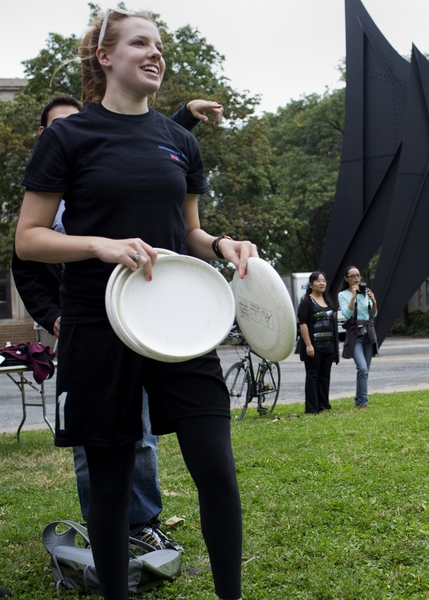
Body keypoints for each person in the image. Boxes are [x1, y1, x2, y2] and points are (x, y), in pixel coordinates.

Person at [15, 9, 253, 599]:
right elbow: (29, 236)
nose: (155, 53)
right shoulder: (69, 136)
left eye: (159, 45)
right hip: (100, 323)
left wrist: (223, 244)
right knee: (113, 483)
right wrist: (97, 244)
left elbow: (188, 233)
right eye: (140, 42)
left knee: (217, 472)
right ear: (105, 56)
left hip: (179, 323)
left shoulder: (178, 141)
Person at [12, 95, 222, 551]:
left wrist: (185, 117)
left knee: (144, 439)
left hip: (152, 320)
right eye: (58, 127)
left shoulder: (124, 162)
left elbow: (147, 150)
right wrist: (55, 317)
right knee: (101, 449)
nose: (73, 130)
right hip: (89, 326)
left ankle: (141, 523)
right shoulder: (54, 191)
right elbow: (26, 260)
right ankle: (106, 531)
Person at [297, 271, 339, 414]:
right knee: (312, 376)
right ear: (310, 285)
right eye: (318, 281)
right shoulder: (306, 302)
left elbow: (332, 318)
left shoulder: (328, 300)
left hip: (328, 346)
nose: (322, 283)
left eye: (323, 280)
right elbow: (303, 324)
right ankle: (312, 408)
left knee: (324, 376)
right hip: (314, 346)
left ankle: (323, 404)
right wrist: (308, 344)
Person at [338, 266, 378, 409]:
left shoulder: (365, 292)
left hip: (369, 333)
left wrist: (373, 301)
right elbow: (347, 315)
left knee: (365, 370)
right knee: (362, 368)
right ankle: (363, 402)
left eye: (358, 275)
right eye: (353, 276)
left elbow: (373, 314)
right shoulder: (343, 295)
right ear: (346, 278)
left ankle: (359, 400)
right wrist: (353, 297)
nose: (356, 278)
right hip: (355, 335)